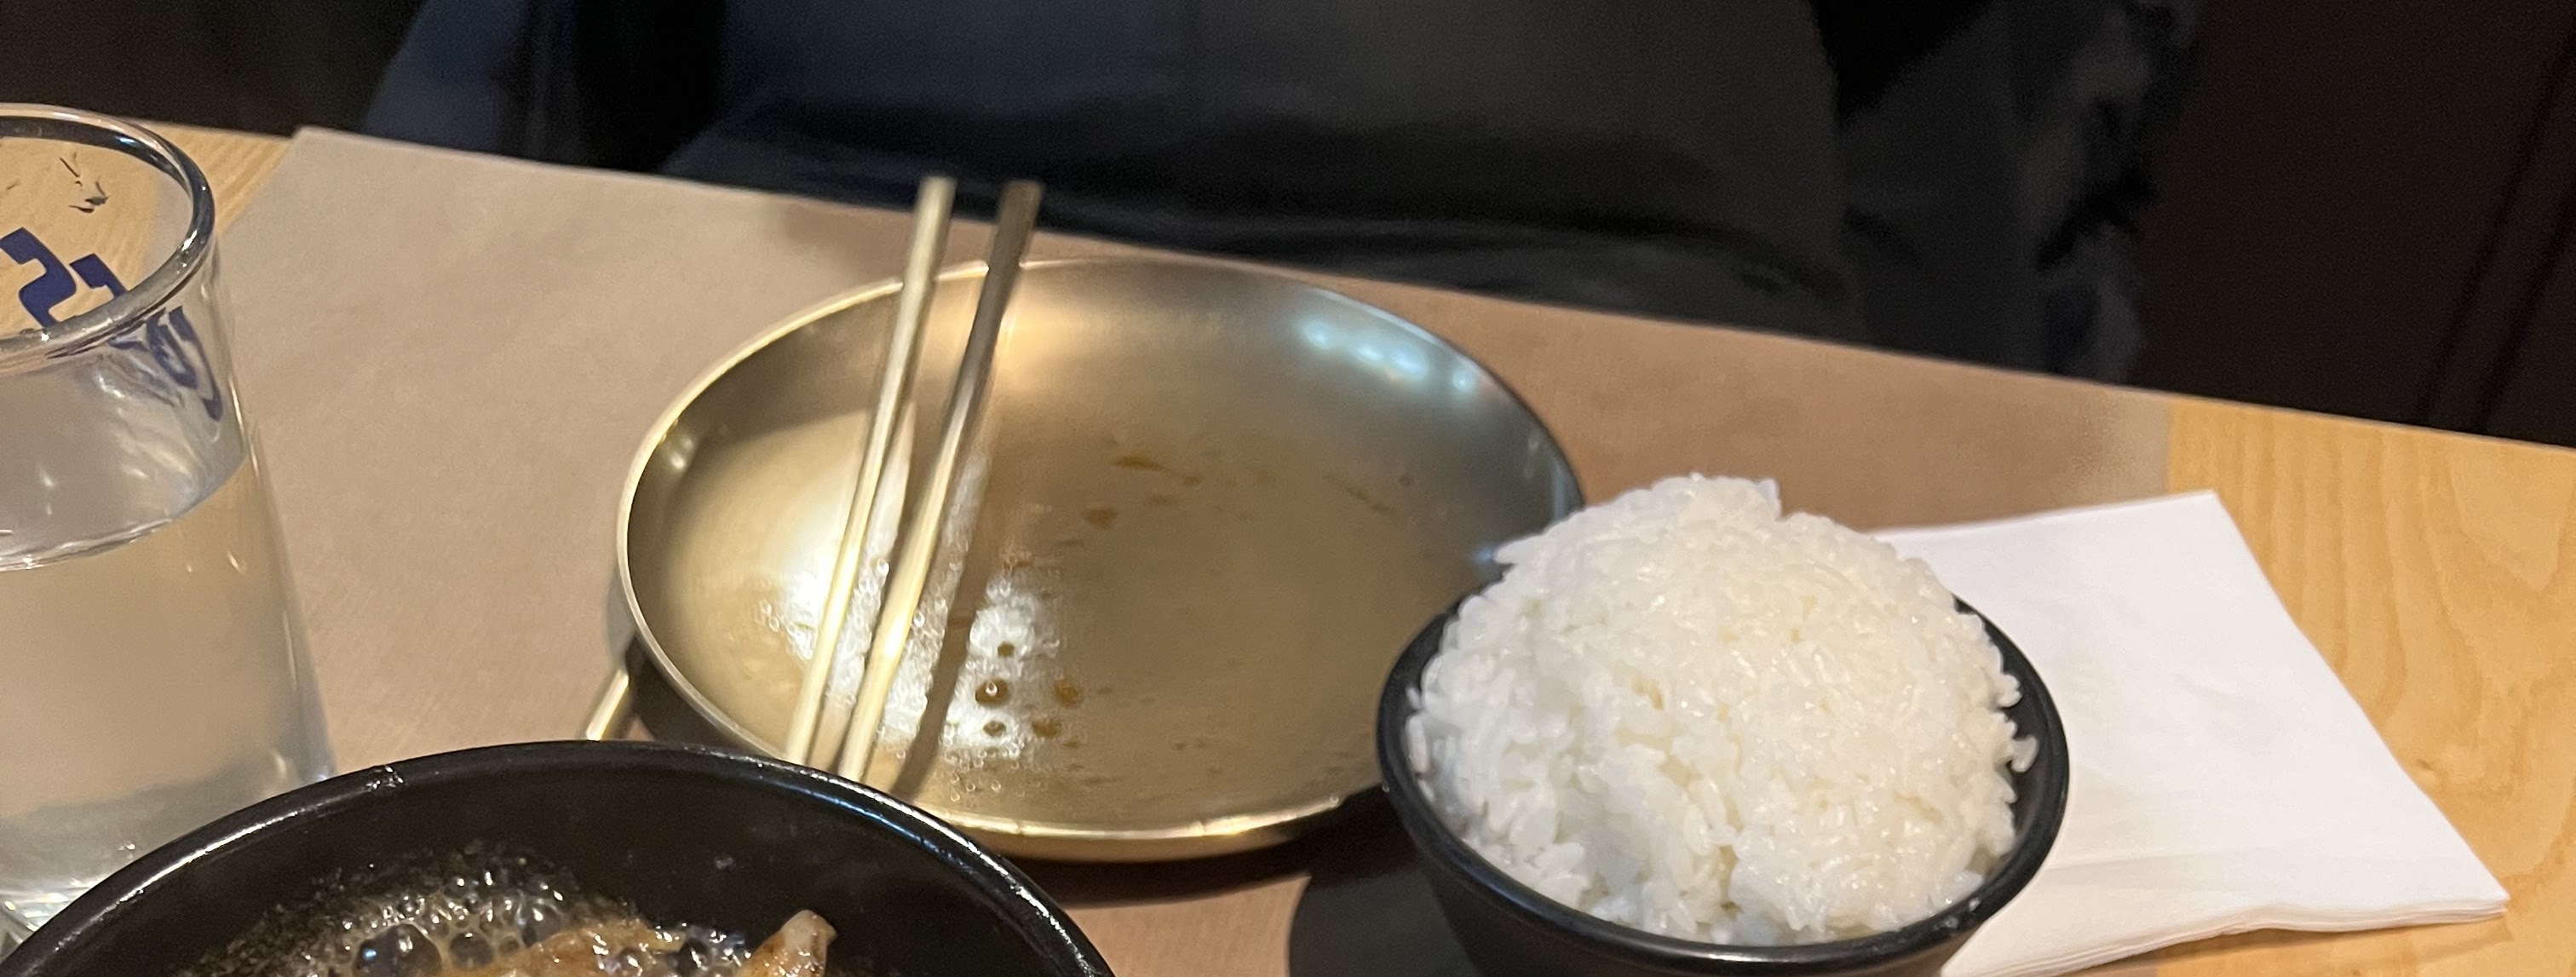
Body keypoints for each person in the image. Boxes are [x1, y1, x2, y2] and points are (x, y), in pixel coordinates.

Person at [369, 0, 2194, 375]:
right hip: (852, 257)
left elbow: (1973, 106)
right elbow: (524, 74)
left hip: (1640, 294)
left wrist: (1964, 449)